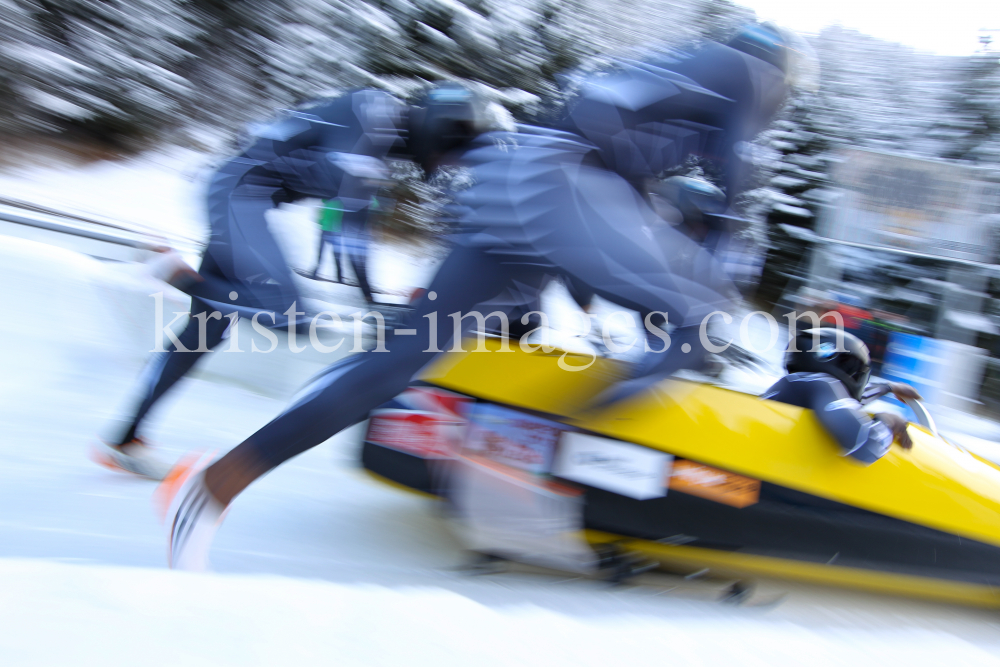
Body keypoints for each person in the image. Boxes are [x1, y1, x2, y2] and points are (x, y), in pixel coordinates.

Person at [162, 25, 808, 570]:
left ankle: (214, 485)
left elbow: (613, 172)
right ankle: (541, 469)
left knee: (393, 365)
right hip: (563, 185)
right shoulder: (754, 75)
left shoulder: (677, 73)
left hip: (512, 181)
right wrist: (720, 256)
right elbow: (735, 169)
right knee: (708, 316)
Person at [94, 87, 455, 480]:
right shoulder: (377, 116)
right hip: (242, 194)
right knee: (290, 314)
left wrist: (370, 297)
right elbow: (351, 226)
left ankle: (124, 439)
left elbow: (346, 223)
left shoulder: (378, 131)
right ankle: (174, 274)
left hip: (242, 190)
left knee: (205, 331)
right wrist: (371, 301)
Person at [761, 328, 920, 463]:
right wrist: (891, 421)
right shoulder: (822, 384)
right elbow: (865, 447)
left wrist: (890, 387)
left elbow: (846, 400)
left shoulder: (795, 384)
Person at [311, 198, 344, 282]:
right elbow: (341, 216)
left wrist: (321, 221)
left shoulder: (326, 201)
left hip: (326, 229)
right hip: (335, 231)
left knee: (321, 253)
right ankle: (339, 276)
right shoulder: (340, 202)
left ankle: (315, 272)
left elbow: (321, 213)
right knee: (337, 255)